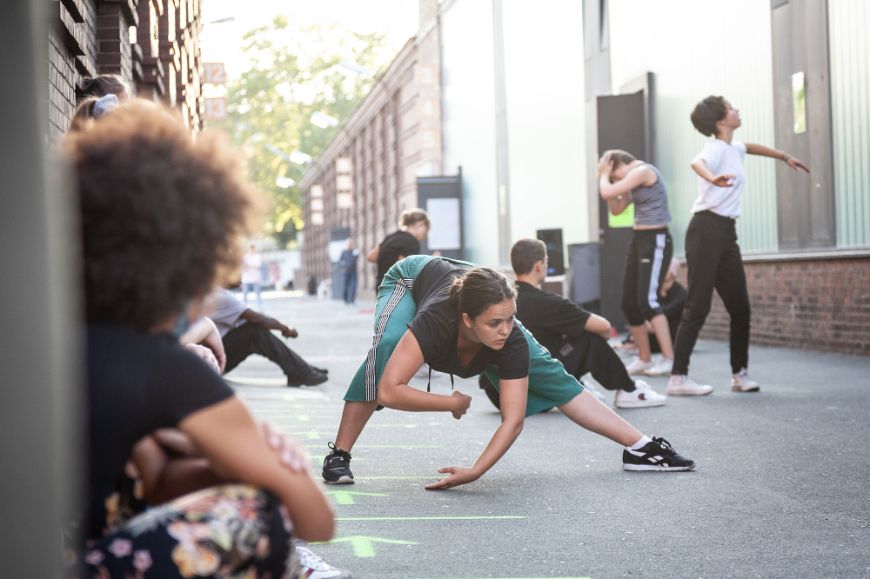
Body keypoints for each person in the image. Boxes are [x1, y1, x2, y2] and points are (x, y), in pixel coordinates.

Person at [65, 98, 334, 577]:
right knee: (257, 517)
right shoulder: (161, 366)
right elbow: (316, 518)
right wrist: (270, 463)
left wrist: (209, 456)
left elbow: (152, 474)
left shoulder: (59, 339)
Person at [321, 254, 696, 490]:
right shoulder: (437, 320)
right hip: (411, 280)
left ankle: (642, 448)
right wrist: (449, 402)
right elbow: (389, 391)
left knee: (549, 370)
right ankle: (339, 455)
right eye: (495, 323)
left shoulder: (509, 334)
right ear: (467, 320)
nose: (505, 330)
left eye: (511, 319)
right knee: (387, 349)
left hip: (473, 288)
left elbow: (512, 420)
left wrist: (476, 470)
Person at [668, 95, 810, 395]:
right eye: (732, 108)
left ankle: (739, 374)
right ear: (721, 120)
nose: (738, 110)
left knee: (740, 307)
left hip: (726, 233)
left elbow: (751, 147)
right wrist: (713, 178)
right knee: (698, 306)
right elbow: (697, 162)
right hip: (705, 230)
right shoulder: (714, 149)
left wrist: (784, 156)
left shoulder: (733, 148)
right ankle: (678, 378)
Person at [480, 238, 665, 410]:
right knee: (589, 337)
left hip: (498, 393)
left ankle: (577, 386)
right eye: (546, 261)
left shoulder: (504, 299)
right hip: (529, 394)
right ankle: (628, 390)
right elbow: (604, 327)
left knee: (548, 340)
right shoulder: (548, 302)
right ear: (539, 266)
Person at [598, 149, 676, 377]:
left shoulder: (643, 171)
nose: (614, 180)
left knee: (648, 301)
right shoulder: (631, 182)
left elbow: (606, 191)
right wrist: (610, 183)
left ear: (617, 165)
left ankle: (669, 359)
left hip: (655, 239)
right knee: (630, 302)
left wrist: (604, 175)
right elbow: (616, 209)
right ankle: (644, 358)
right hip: (639, 240)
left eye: (614, 175)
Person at [204, 287, 329, 386]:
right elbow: (258, 318)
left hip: (212, 358)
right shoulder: (219, 297)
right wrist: (285, 329)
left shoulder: (216, 293)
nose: (241, 275)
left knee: (253, 330)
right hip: (210, 363)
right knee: (254, 332)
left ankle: (301, 369)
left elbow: (253, 317)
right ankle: (300, 371)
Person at [368, 208, 430, 288]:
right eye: (426, 229)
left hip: (381, 286)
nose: (425, 234)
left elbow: (371, 257)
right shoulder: (411, 241)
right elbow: (405, 271)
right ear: (420, 224)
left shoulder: (391, 236)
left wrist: (388, 260)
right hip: (395, 289)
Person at [242, 244, 264, 310]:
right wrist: (252, 266)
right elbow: (244, 267)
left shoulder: (257, 257)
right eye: (250, 249)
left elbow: (258, 266)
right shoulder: (245, 257)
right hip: (246, 279)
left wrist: (249, 266)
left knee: (258, 294)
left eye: (252, 249)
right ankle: (244, 308)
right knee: (245, 295)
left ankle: (259, 308)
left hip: (256, 279)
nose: (251, 250)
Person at [339, 239, 360, 304]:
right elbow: (340, 261)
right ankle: (345, 299)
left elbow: (356, 258)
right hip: (346, 271)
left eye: (351, 243)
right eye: (348, 243)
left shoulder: (354, 251)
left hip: (353, 271)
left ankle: (352, 299)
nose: (349, 245)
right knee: (345, 285)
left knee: (353, 286)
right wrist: (343, 267)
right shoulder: (344, 252)